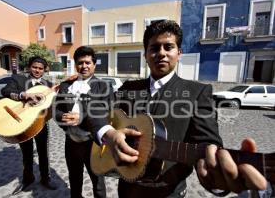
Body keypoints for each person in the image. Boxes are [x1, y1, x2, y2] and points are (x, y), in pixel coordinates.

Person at [97, 20, 267, 197]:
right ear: (145, 55)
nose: (161, 53)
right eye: (154, 48)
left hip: (169, 191)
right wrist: (108, 134)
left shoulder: (198, 92)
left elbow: (208, 142)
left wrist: (216, 178)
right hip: (127, 189)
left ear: (179, 53)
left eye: (168, 47)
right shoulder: (128, 89)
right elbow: (99, 115)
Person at [54, 46, 112, 198]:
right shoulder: (66, 86)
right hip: (71, 142)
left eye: (87, 63)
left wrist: (82, 117)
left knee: (98, 183)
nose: (84, 66)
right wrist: (63, 118)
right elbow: (57, 110)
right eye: (80, 63)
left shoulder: (103, 86)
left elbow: (108, 112)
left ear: (94, 64)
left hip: (93, 143)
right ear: (75, 65)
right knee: (74, 179)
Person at [1, 56, 57, 193]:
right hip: (22, 124)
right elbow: (5, 91)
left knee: (44, 154)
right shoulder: (18, 79)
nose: (37, 70)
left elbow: (53, 104)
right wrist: (23, 95)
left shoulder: (48, 85)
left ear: (44, 70)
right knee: (26, 154)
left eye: (40, 68)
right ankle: (28, 179)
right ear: (29, 67)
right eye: (34, 67)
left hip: (40, 124)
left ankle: (45, 178)